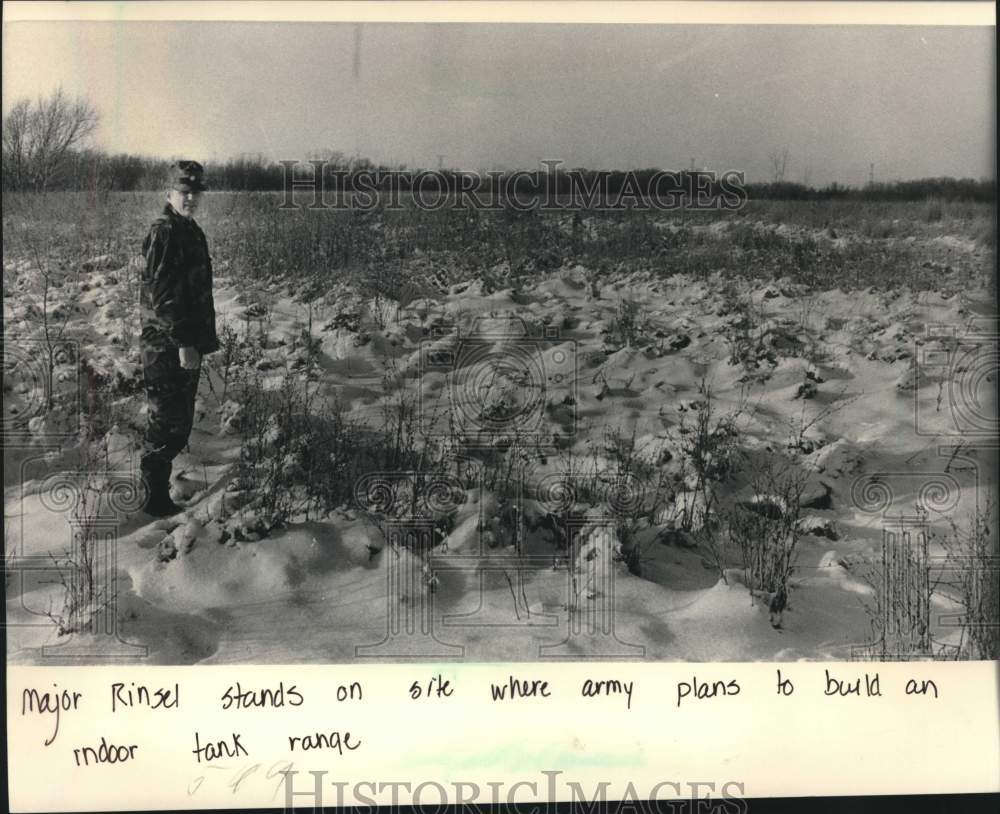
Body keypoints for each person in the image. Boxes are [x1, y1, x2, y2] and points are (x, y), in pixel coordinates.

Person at [137, 160, 220, 516]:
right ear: (169, 193)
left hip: (183, 344)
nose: (190, 198)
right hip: (167, 346)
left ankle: (158, 491)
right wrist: (185, 342)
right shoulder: (166, 231)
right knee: (167, 424)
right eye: (183, 192)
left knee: (178, 422)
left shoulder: (189, 229)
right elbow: (164, 295)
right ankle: (152, 499)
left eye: (194, 193)